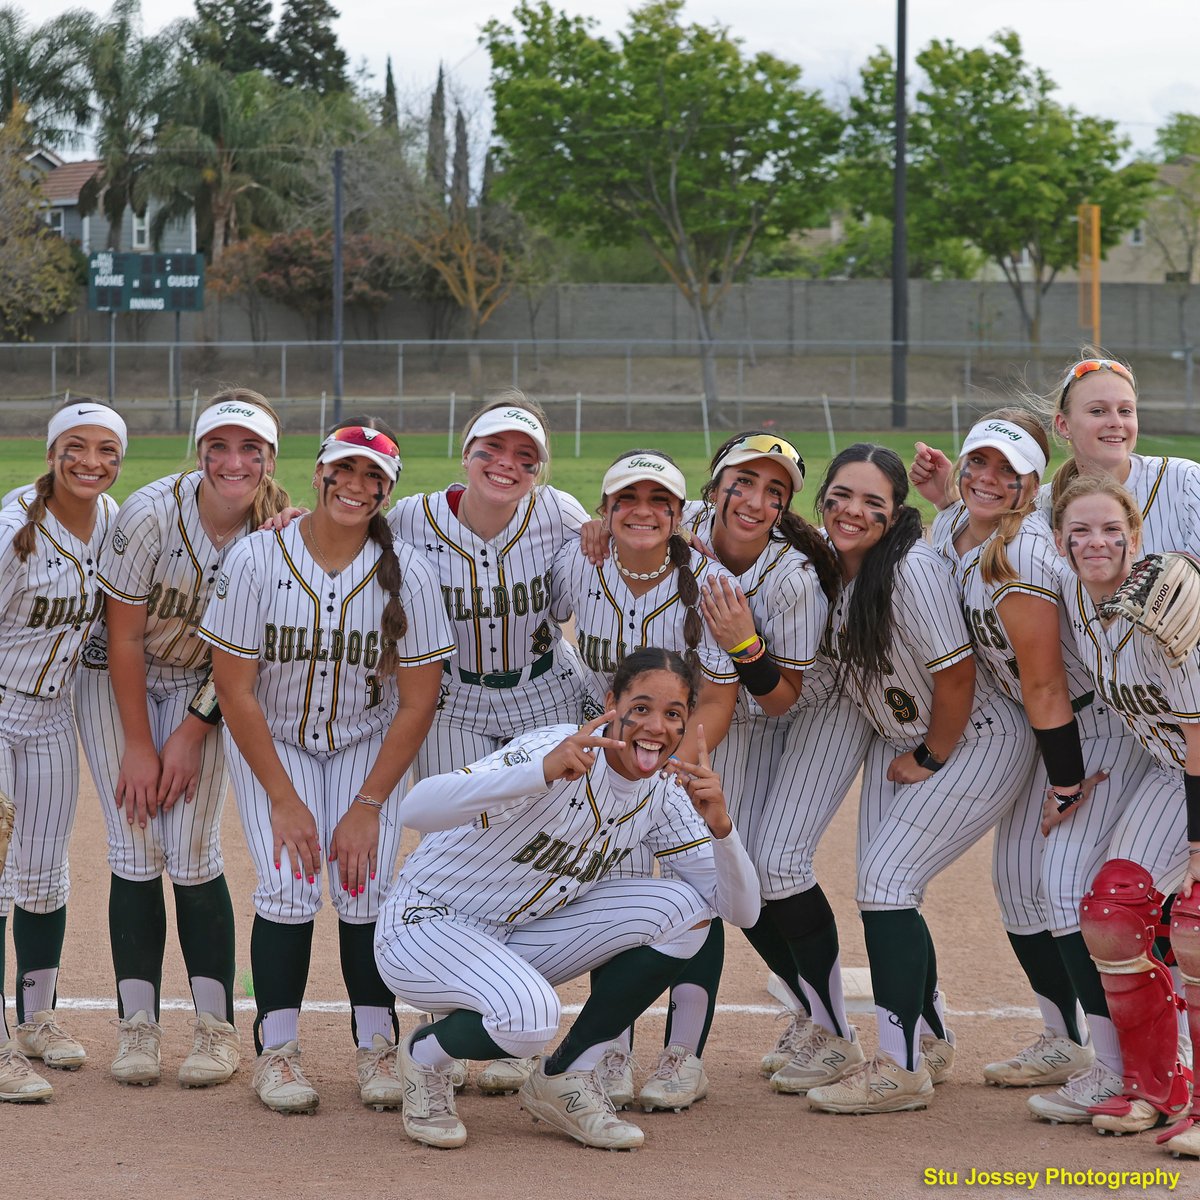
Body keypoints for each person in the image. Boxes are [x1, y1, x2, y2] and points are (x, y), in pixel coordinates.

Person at [373, 647, 760, 1150]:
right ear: (611, 703)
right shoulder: (556, 746)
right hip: (425, 925)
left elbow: (741, 911)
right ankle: (426, 1056)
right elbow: (417, 808)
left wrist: (723, 831)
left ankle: (565, 1076)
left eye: (673, 715)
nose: (656, 727)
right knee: (531, 1018)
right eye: (641, 708)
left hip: (516, 937)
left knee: (686, 912)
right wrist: (537, 772)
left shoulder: (664, 791)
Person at [200, 422, 454, 1114]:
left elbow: (419, 698)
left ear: (388, 490)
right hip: (272, 742)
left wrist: (367, 806)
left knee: (364, 886)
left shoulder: (413, 573)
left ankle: (377, 1046)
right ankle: (277, 1053)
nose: (357, 485)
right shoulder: (257, 558)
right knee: (286, 885)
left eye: (374, 476)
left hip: (365, 745)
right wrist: (283, 799)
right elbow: (234, 688)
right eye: (345, 469)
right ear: (319, 473)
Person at [926, 411, 1152, 1123]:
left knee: (1062, 890)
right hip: (1052, 727)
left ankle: (1117, 1072)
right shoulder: (958, 529)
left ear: (1032, 486)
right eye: (978, 464)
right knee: (1018, 884)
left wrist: (1065, 780)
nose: (988, 479)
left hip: (1092, 730)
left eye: (1007, 470)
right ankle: (1067, 1041)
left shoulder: (1024, 557)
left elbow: (1050, 685)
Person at [801, 444, 1035, 1115]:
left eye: (874, 503)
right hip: (902, 737)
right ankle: (928, 1036)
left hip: (973, 737)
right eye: (843, 495)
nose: (854, 512)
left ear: (896, 512)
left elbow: (956, 677)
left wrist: (932, 755)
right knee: (886, 888)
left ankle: (899, 1070)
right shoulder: (829, 561)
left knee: (885, 884)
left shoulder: (912, 569)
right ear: (824, 495)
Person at [75, 389, 290, 1088]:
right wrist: (141, 744)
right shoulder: (149, 514)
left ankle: (215, 1029)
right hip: (119, 677)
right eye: (219, 447)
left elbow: (246, 657)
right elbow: (125, 634)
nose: (234, 461)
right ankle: (137, 1029)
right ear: (198, 453)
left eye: (250, 449)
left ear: (269, 458)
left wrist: (193, 731)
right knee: (135, 842)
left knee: (192, 852)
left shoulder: (278, 532)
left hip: (214, 685)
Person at [546, 449, 739, 1110]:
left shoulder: (709, 581)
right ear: (605, 509)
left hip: (683, 759)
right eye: (627, 499)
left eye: (660, 501)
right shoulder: (581, 562)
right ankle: (611, 1052)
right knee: (618, 896)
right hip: (608, 763)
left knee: (699, 894)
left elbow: (717, 692)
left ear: (680, 516)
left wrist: (676, 764)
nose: (643, 512)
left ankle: (684, 1056)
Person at [678, 432, 867, 1098]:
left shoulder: (789, 577)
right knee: (737, 871)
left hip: (816, 705)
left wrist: (744, 641)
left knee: (781, 862)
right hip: (741, 706)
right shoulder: (687, 529)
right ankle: (812, 1013)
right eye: (744, 482)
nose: (756, 501)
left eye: (775, 491)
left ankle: (836, 1033)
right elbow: (626, 524)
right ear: (716, 482)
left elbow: (786, 697)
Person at [1050, 474, 1200, 1156]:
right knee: (1113, 915)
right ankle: (1153, 1088)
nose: (1096, 542)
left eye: (1112, 530)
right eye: (1080, 530)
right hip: (1177, 772)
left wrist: (1197, 845)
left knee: (1194, 925)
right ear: (1060, 541)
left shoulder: (1166, 604)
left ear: (1136, 539)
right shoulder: (1079, 602)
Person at [0, 401, 126, 1103]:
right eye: (75, 447)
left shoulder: (111, 524)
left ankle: (36, 1020)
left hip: (51, 718)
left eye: (107, 450)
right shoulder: (12, 527)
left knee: (45, 875)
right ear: (51, 453)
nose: (90, 462)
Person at [387, 391, 588, 782]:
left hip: (546, 691)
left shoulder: (557, 510)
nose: (506, 463)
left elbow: (625, 548)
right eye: (492, 447)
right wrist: (294, 522)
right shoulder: (412, 518)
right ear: (466, 455)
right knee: (454, 834)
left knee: (545, 826)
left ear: (536, 471)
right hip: (451, 701)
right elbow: (349, 546)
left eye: (525, 456)